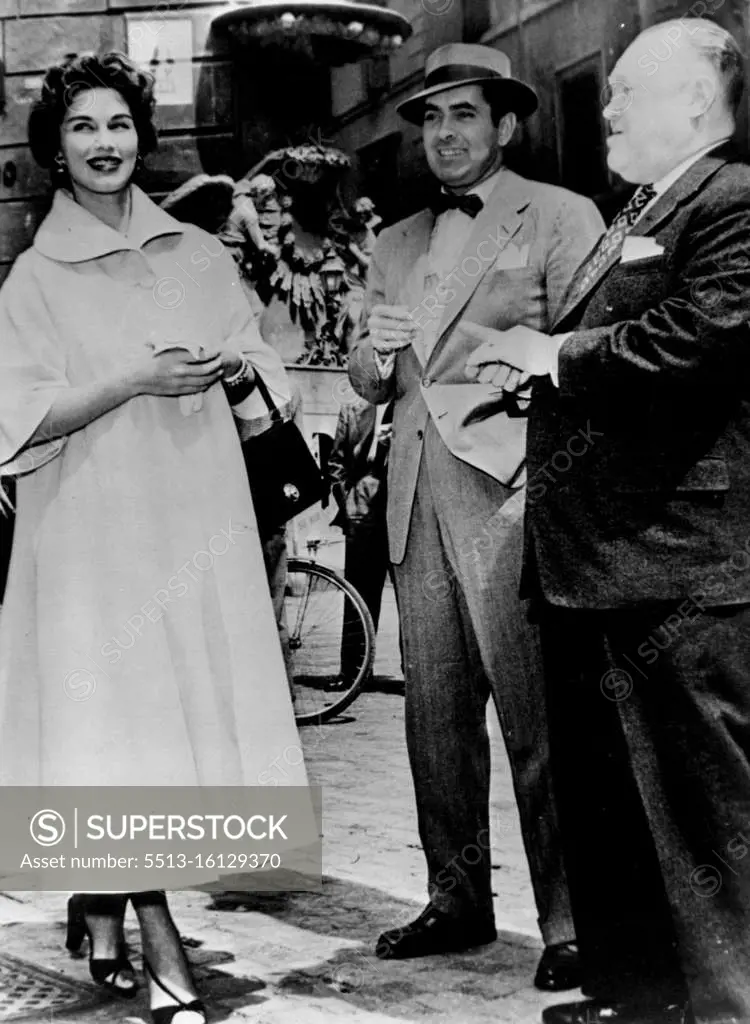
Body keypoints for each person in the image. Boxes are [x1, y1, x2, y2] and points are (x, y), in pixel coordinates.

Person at [0, 51, 309, 1024]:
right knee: (113, 734)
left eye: (119, 124)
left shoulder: (199, 254)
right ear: (56, 148)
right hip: (91, 538)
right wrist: (133, 378)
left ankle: (100, 906)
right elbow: (18, 416)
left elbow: (265, 355)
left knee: (171, 733)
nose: (104, 144)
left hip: (192, 526)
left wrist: (237, 365)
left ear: (144, 135)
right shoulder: (32, 279)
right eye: (83, 128)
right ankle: (157, 933)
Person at [464, 18, 750, 1024]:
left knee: (700, 811)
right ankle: (638, 995)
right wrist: (542, 379)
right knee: (618, 801)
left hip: (679, 563)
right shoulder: (642, 207)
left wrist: (558, 359)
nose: (609, 108)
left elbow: (704, 337)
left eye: (626, 90)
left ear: (694, 100)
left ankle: (725, 1006)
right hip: (594, 563)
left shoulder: (733, 200)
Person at [348, 42, 604, 990]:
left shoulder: (560, 214)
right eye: (432, 118)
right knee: (434, 713)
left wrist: (533, 369)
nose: (445, 134)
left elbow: (590, 348)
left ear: (505, 125)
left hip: (515, 493)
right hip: (417, 495)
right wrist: (371, 357)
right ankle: (456, 902)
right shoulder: (394, 241)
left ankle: (573, 921)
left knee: (538, 714)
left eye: (466, 114)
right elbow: (367, 382)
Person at [328, 395, 395, 687]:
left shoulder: (412, 403)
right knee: (358, 593)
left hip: (401, 505)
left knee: (411, 598)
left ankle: (417, 675)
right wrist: (347, 501)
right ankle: (353, 673)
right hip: (361, 506)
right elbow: (335, 462)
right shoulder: (353, 408)